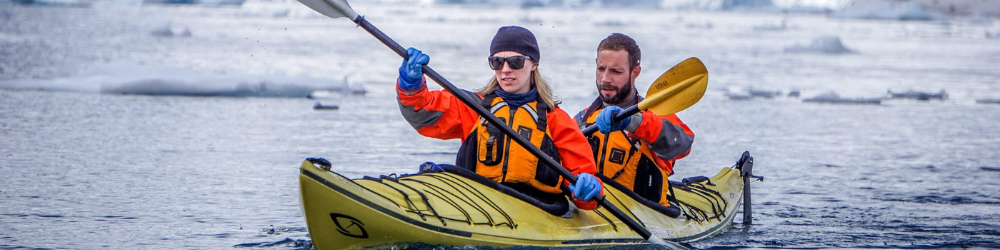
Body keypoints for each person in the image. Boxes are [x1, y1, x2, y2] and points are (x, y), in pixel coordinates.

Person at [395, 26, 603, 213]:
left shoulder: (556, 120)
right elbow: (422, 112)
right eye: (497, 62)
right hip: (478, 202)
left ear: (533, 65)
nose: (505, 70)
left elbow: (587, 191)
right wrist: (411, 84)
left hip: (536, 208)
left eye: (515, 61)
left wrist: (587, 186)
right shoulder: (473, 107)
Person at [573, 33, 694, 207]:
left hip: (646, 215)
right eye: (601, 69)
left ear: (634, 73)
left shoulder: (655, 116)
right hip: (591, 210)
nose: (605, 79)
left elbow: (683, 144)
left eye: (616, 71)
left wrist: (632, 122)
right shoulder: (582, 120)